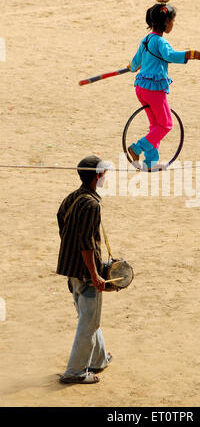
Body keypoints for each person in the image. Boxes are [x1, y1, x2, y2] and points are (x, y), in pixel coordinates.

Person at [128, 3, 200, 170]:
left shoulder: (146, 39)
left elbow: (135, 63)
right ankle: (137, 147)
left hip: (141, 88)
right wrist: (191, 54)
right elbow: (169, 56)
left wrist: (130, 67)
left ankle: (150, 162)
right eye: (173, 20)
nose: (173, 24)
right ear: (166, 22)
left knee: (155, 125)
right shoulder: (160, 41)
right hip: (154, 89)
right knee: (165, 125)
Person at [56, 155, 112, 384]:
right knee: (88, 323)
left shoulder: (73, 198)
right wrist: (95, 274)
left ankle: (98, 360)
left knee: (88, 318)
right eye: (103, 174)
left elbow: (61, 219)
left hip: (70, 269)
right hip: (85, 272)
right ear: (96, 176)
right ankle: (75, 372)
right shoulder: (92, 205)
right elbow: (87, 243)